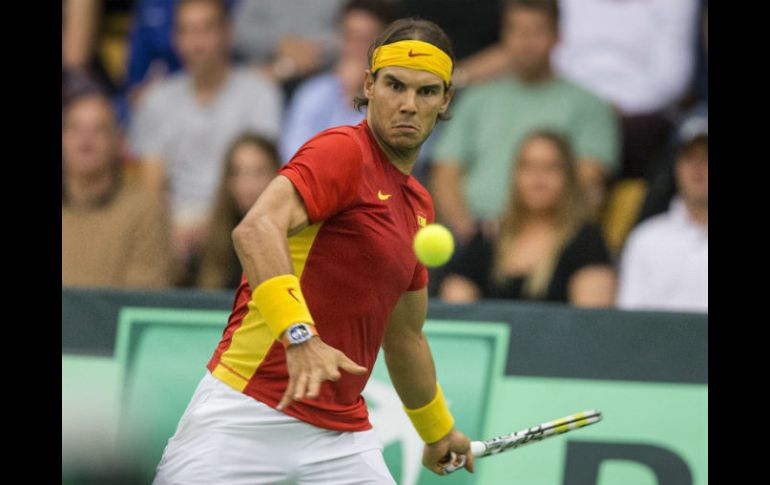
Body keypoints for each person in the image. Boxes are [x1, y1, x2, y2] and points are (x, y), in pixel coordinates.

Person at [153, 17, 475, 484]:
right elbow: (256, 228)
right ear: (369, 85)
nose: (408, 104)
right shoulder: (341, 151)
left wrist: (437, 430)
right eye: (394, 86)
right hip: (247, 412)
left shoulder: (419, 205)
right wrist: (298, 335)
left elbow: (405, 338)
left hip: (340, 439)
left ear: (445, 100)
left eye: (426, 92)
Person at [430, 0, 619, 247]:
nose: (526, 42)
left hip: (550, 242)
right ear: (503, 35)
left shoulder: (591, 106)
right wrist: (471, 236)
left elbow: (587, 185)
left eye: (536, 31)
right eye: (516, 30)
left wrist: (534, 240)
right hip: (472, 234)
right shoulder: (475, 99)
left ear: (557, 36)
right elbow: (445, 174)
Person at [127, 0, 283, 283]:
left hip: (238, 211)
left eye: (206, 30)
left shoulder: (259, 93)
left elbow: (263, 174)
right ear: (175, 39)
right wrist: (168, 231)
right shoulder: (156, 100)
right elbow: (151, 186)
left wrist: (213, 225)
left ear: (227, 33)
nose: (196, 42)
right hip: (175, 222)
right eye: (186, 31)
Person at [439, 130, 615, 306]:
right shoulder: (490, 236)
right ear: (514, 175)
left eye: (551, 167)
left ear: (568, 177)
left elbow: (591, 321)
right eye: (528, 166)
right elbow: (455, 305)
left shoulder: (587, 241)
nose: (538, 176)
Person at [552, 0, 700, 180]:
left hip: (643, 116)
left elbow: (672, 80)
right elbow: (558, 58)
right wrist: (592, 106)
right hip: (577, 105)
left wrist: (610, 107)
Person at [62, 92, 172, 289]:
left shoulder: (144, 210)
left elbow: (143, 295)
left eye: (99, 129)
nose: (85, 139)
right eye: (75, 129)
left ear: (119, 142)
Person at [278, 0, 400, 163]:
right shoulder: (313, 92)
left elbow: (390, 161)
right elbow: (293, 157)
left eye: (366, 39)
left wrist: (360, 96)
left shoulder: (401, 95)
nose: (357, 47)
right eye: (350, 36)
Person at [616, 115, 708, 313]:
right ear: (675, 166)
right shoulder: (646, 239)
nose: (699, 168)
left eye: (707, 158)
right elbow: (631, 319)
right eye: (689, 158)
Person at [194, 133, 280, 289]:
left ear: (277, 176)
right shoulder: (209, 244)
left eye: (258, 172)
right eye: (238, 173)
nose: (248, 184)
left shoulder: (293, 241)